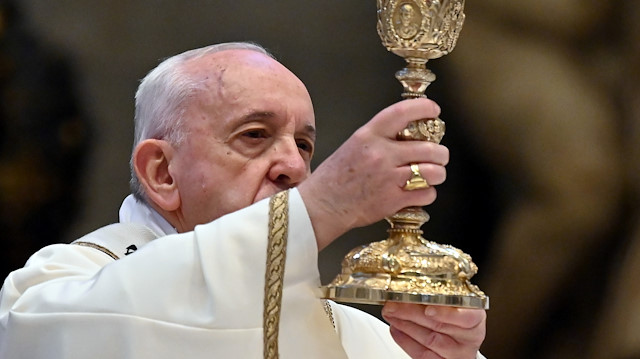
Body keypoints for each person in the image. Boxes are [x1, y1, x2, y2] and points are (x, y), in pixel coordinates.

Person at [0, 42, 486, 358]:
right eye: (255, 135)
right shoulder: (54, 292)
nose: (294, 167)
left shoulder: (365, 338)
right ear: (162, 173)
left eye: (304, 145)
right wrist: (324, 205)